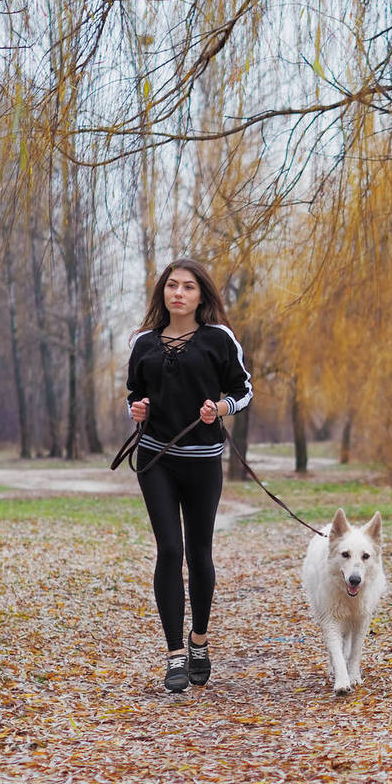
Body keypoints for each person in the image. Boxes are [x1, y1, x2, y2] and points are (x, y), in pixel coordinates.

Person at [126, 258, 252, 692]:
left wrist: (221, 408)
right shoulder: (143, 342)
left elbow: (244, 390)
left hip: (202, 460)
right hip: (155, 459)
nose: (178, 293)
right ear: (163, 292)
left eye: (188, 287)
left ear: (202, 296)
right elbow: (134, 394)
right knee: (168, 550)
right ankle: (175, 655)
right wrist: (135, 409)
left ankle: (199, 639)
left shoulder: (219, 339)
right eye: (172, 286)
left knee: (199, 552)